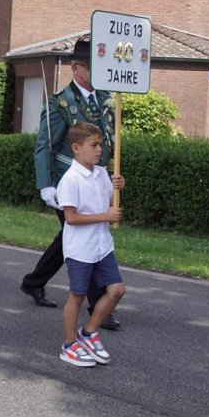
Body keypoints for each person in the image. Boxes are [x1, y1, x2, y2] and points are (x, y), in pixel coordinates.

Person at [20, 37, 121, 330]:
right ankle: (98, 303)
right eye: (90, 67)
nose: (95, 73)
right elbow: (44, 146)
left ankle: (33, 281)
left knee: (69, 238)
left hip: (96, 181)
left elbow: (105, 142)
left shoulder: (104, 98)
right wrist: (45, 184)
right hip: (70, 183)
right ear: (75, 68)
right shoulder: (61, 103)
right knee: (84, 236)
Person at [58, 122, 126, 367]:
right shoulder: (71, 179)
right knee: (77, 296)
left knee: (117, 290)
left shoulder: (101, 174)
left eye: (101, 145)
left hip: (102, 246)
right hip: (81, 249)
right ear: (76, 148)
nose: (99, 150)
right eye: (94, 145)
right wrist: (105, 217)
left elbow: (107, 200)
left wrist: (118, 188)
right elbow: (71, 218)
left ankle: (88, 333)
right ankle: (68, 345)